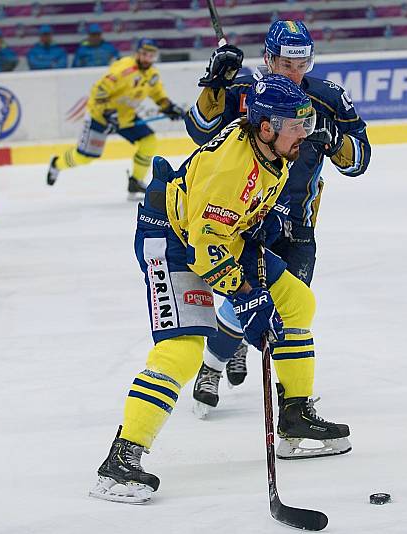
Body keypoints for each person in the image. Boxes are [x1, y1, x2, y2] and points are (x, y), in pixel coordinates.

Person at [90, 75, 351, 504]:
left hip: (219, 236)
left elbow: (232, 222)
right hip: (174, 240)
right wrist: (247, 297)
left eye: (306, 122)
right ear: (266, 127)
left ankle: (294, 418)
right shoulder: (232, 168)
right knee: (184, 349)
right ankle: (120, 461)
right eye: (295, 124)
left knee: (297, 303)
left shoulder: (271, 145)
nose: (304, 133)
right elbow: (205, 252)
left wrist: (259, 225)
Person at [184, 20, 371, 415]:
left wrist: (336, 142)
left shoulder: (328, 98)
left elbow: (359, 163)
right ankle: (213, 365)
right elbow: (198, 131)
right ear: (269, 59)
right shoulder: (245, 94)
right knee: (246, 299)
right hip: (245, 218)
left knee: (290, 309)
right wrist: (215, 83)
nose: (296, 73)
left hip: (298, 224)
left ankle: (293, 403)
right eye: (287, 64)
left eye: (303, 63)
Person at [46, 38, 185, 197]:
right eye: (145, 54)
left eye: (152, 56)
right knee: (85, 157)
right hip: (101, 116)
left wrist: (168, 107)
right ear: (137, 53)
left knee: (149, 141)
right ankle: (57, 163)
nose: (148, 59)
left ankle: (135, 182)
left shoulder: (152, 74)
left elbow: (157, 94)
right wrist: (107, 112)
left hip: (126, 117)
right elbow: (99, 90)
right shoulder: (124, 69)